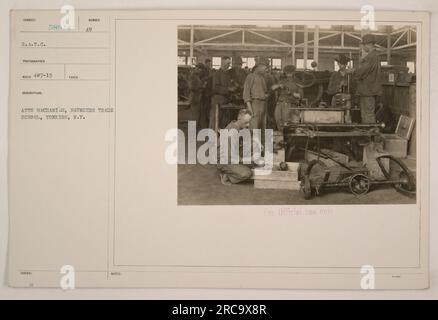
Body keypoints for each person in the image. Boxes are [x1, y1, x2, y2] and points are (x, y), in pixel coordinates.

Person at [347, 34, 383, 123]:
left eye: (363, 45)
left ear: (368, 44)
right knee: (366, 114)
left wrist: (352, 71)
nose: (362, 47)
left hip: (368, 91)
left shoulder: (371, 57)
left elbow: (362, 71)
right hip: (367, 90)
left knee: (368, 114)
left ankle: (370, 134)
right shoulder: (373, 56)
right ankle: (369, 133)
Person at [217, 109, 253, 185]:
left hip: (231, 155)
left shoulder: (236, 125)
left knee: (253, 151)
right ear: (239, 119)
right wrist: (247, 160)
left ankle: (234, 170)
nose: (248, 125)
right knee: (247, 173)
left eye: (249, 122)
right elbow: (231, 157)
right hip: (225, 161)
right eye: (246, 122)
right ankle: (227, 175)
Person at [272, 65, 304, 130]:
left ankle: (285, 136)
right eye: (287, 73)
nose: (289, 74)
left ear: (294, 73)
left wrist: (291, 93)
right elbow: (272, 88)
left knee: (285, 122)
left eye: (290, 73)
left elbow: (300, 96)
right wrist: (279, 85)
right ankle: (281, 136)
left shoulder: (297, 82)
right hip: (279, 103)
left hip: (289, 104)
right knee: (278, 120)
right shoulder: (282, 81)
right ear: (285, 73)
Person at [242, 57, 269, 130]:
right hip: (254, 104)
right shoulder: (250, 76)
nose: (266, 70)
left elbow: (265, 92)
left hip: (263, 104)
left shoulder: (262, 78)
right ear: (259, 66)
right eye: (265, 67)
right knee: (254, 128)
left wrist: (265, 95)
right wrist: (250, 109)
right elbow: (246, 94)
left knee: (262, 128)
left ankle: (260, 141)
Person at [209, 56, 234, 130]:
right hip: (217, 100)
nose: (229, 65)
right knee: (215, 120)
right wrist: (228, 89)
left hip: (224, 100)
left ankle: (221, 138)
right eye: (227, 63)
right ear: (222, 63)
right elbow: (215, 88)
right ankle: (212, 138)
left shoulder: (227, 74)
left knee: (223, 121)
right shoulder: (217, 74)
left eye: (229, 63)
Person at [188, 64, 204, 129]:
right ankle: (192, 128)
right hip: (194, 97)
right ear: (197, 68)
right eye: (199, 69)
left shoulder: (196, 76)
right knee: (193, 114)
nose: (200, 71)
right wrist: (200, 87)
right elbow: (191, 87)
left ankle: (194, 128)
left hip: (197, 97)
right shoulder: (192, 76)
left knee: (196, 113)